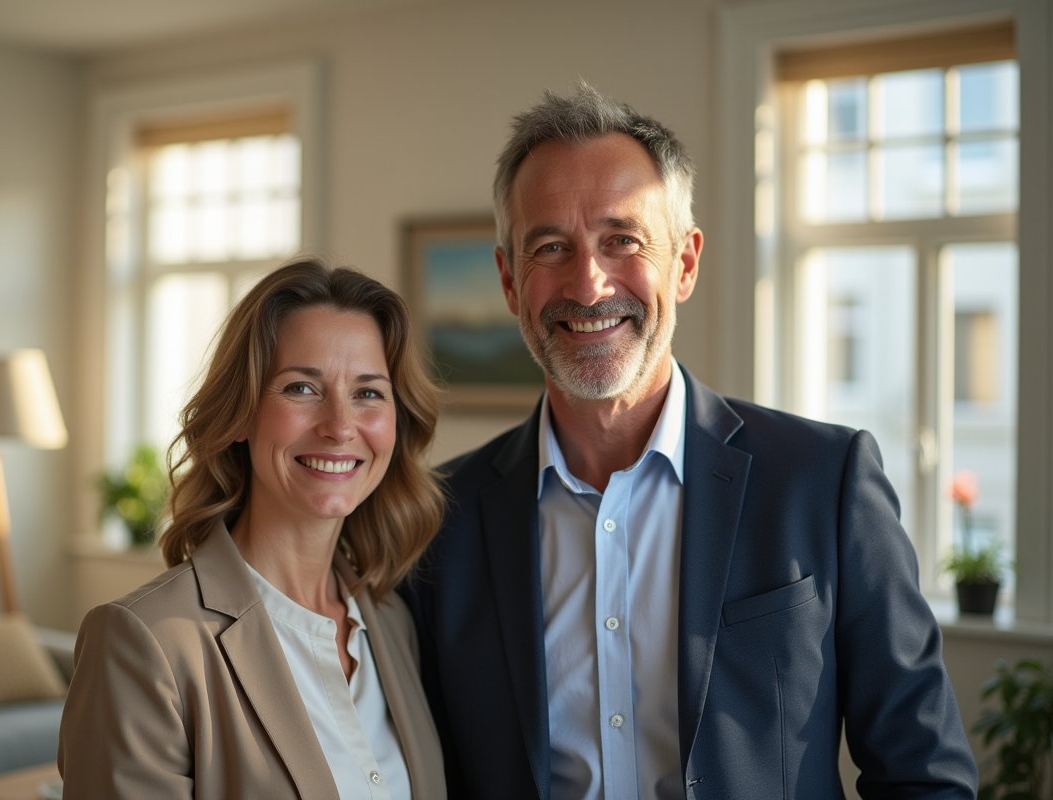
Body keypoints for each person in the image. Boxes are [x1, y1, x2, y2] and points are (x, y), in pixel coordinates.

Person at [403, 83, 978, 798]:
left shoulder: (823, 481)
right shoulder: (438, 522)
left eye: (623, 240)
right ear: (509, 281)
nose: (588, 283)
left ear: (684, 263)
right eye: (550, 246)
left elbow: (926, 775)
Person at [60, 259, 447, 800]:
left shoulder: (390, 621)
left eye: (368, 393)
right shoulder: (146, 641)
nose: (339, 426)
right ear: (240, 414)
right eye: (301, 388)